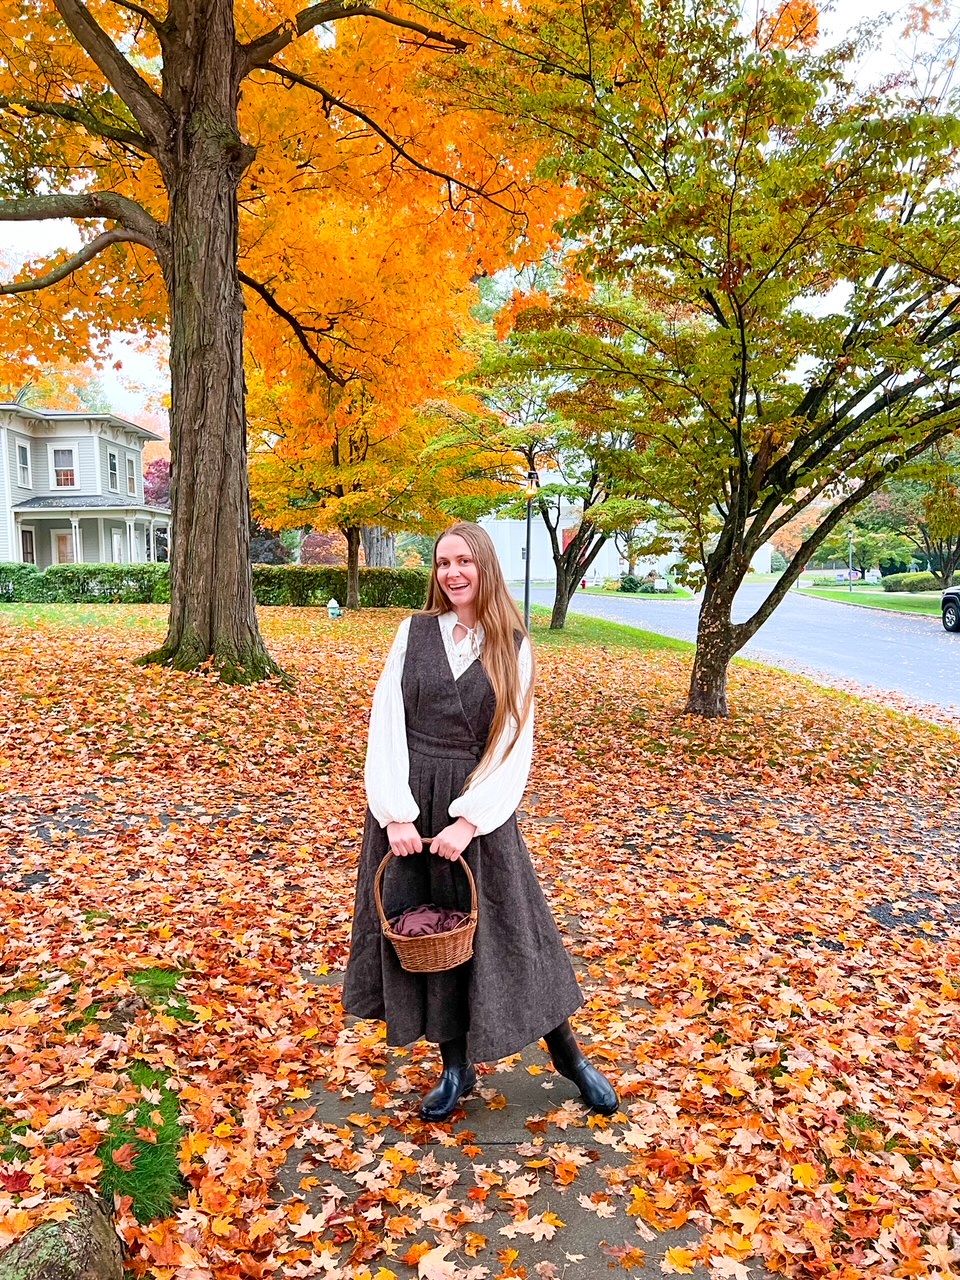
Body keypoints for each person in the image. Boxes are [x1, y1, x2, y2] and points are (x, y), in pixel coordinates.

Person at [342, 522, 618, 1122]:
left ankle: (571, 1059)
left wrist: (470, 820)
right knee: (430, 937)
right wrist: (395, 814)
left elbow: (513, 743)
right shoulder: (412, 634)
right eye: (443, 563)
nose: (452, 573)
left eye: (464, 561)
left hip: (477, 807)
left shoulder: (512, 643)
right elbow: (385, 722)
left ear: (485, 567)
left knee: (513, 934)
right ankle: (455, 1067)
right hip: (410, 808)